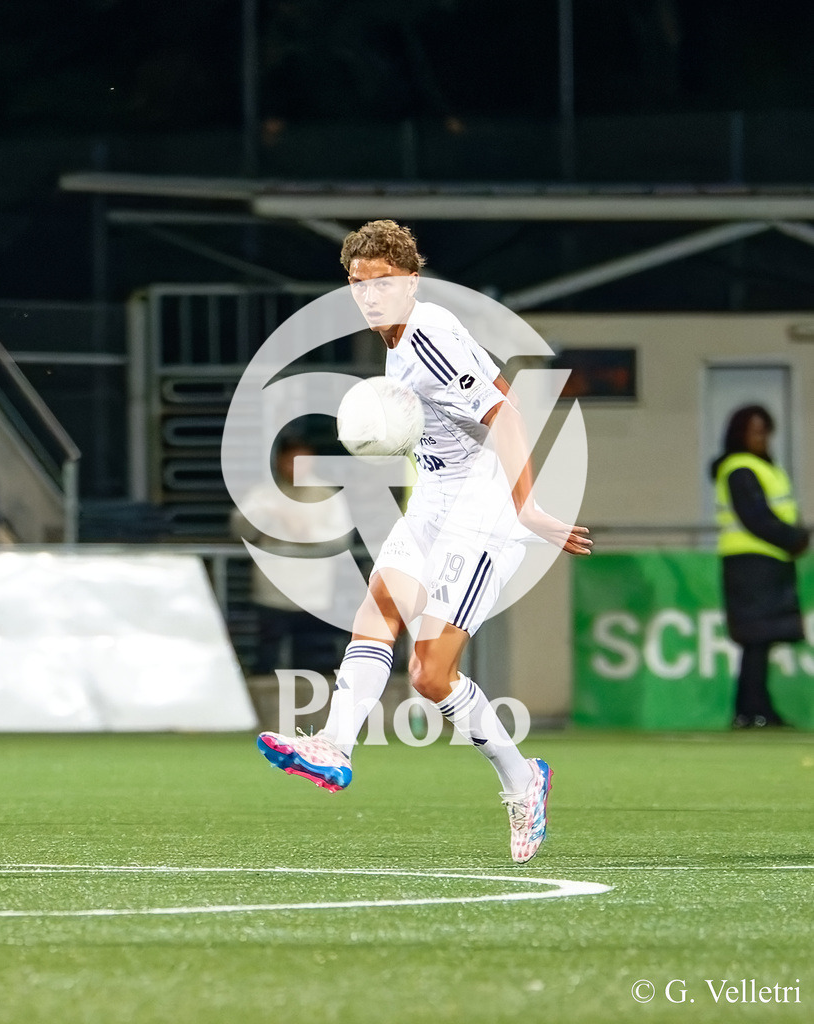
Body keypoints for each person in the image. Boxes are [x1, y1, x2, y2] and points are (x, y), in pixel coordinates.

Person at [257, 220, 592, 864]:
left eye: (383, 282)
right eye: (358, 284)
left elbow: (505, 413)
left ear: (411, 281)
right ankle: (334, 746)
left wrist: (527, 506)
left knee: (430, 675)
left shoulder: (427, 335)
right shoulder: (400, 339)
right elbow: (487, 392)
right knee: (378, 607)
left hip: (482, 506)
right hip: (435, 498)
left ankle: (524, 781)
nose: (369, 295)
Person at [711, 405, 809, 728]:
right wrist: (793, 538)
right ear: (740, 434)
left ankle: (754, 708)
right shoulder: (740, 469)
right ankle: (753, 710)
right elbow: (755, 517)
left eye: (765, 431)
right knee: (756, 637)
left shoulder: (764, 467)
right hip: (751, 564)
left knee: (760, 639)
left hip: (768, 562)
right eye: (755, 431)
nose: (761, 437)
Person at [231, 433, 352, 678]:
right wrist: (268, 515)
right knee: (267, 659)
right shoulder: (263, 495)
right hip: (272, 592)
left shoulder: (327, 495)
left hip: (315, 592)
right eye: (290, 461)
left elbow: (341, 539)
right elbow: (240, 530)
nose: (296, 467)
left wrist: (306, 532)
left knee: (314, 661)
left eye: (303, 461)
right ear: (279, 461)